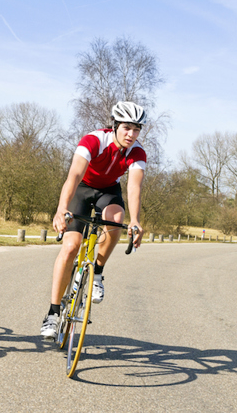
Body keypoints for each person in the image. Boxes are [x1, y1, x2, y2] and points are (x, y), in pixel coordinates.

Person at [40, 101, 147, 339]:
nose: (131, 134)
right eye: (127, 128)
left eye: (136, 129)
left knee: (116, 218)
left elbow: (134, 187)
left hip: (109, 191)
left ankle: (97, 272)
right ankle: (53, 313)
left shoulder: (137, 152)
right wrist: (61, 209)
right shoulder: (94, 140)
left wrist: (136, 220)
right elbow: (74, 176)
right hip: (82, 189)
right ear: (116, 125)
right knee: (70, 247)